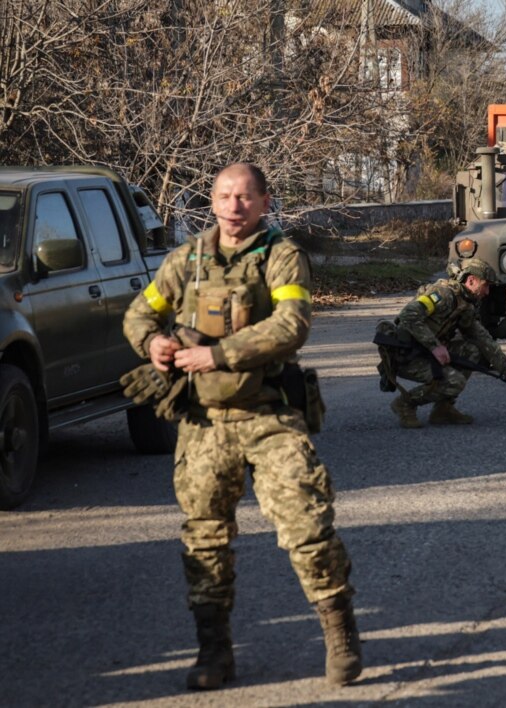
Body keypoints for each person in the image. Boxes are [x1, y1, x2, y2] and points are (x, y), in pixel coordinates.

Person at [122, 163, 362, 690]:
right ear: (212, 202)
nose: (235, 206)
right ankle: (214, 651)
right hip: (203, 424)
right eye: (226, 196)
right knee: (205, 539)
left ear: (265, 202)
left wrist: (219, 355)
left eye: (246, 197)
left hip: (268, 416)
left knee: (307, 526)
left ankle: (340, 632)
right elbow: (140, 314)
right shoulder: (186, 261)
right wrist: (154, 345)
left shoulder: (280, 256)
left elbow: (291, 325)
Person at [380, 258, 506, 429]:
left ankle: (443, 409)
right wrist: (435, 346)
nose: (487, 292)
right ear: (471, 280)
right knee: (454, 381)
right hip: (407, 356)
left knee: (473, 351)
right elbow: (408, 315)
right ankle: (405, 403)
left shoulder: (465, 306)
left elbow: (483, 339)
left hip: (425, 352)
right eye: (486, 285)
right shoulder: (442, 295)